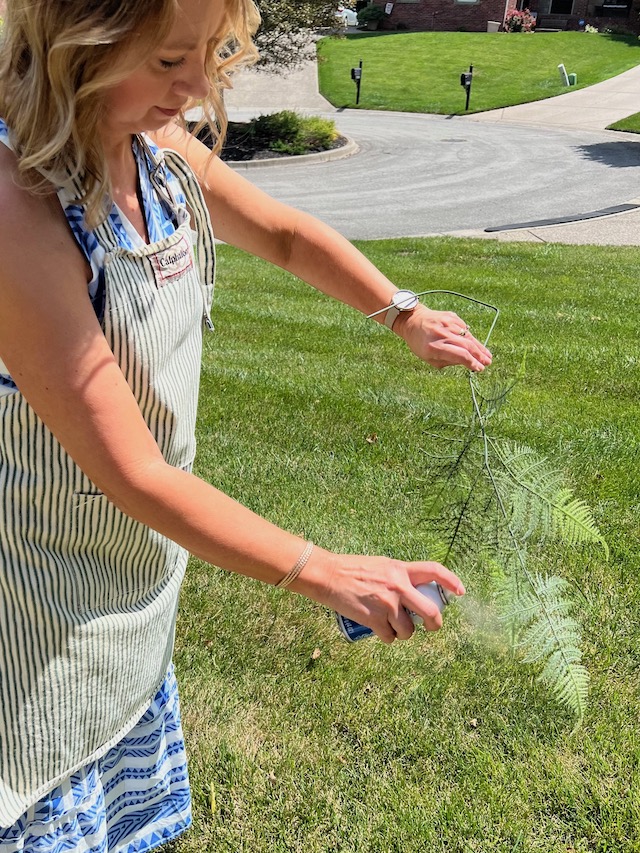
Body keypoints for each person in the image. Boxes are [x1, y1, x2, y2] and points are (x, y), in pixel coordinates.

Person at [0, 0, 492, 849]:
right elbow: (135, 472)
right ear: (77, 41)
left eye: (209, 55)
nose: (195, 90)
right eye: (166, 63)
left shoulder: (155, 149)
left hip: (131, 593)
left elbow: (288, 236)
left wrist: (404, 312)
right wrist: (324, 569)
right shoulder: (18, 204)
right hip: (36, 628)